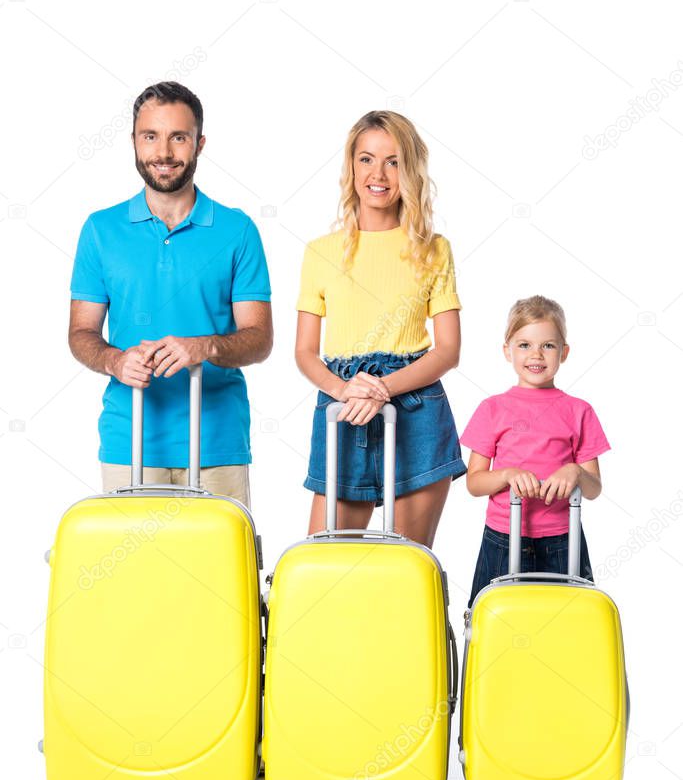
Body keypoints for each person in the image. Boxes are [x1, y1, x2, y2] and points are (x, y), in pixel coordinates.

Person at [68, 81, 272, 504]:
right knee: (137, 570)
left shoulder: (237, 231)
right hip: (131, 439)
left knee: (219, 569)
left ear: (199, 144)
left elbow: (259, 339)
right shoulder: (101, 230)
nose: (163, 152)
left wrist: (207, 346)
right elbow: (80, 333)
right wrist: (115, 360)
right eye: (150, 136)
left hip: (217, 442)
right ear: (134, 142)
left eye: (178, 137)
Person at [295, 110, 466, 546]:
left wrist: (382, 388)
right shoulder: (321, 252)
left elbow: (447, 350)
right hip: (343, 405)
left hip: (415, 408)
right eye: (367, 159)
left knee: (407, 567)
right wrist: (347, 390)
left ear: (409, 170)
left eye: (393, 161)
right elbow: (305, 352)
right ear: (351, 167)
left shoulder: (433, 250)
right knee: (323, 563)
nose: (379, 174)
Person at [461, 295, 610, 606]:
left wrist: (575, 471)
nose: (537, 355)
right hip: (502, 537)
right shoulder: (492, 409)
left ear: (564, 352)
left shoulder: (579, 411)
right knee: (494, 620)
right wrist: (507, 475)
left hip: (562, 539)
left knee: (568, 622)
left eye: (549, 346)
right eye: (525, 345)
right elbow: (474, 483)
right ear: (508, 350)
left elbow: (594, 488)